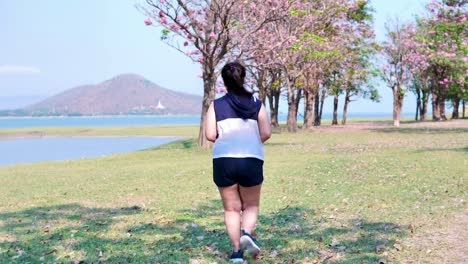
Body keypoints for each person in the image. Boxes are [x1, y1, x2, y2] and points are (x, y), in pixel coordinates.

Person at [205, 62, 271, 263]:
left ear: (224, 82)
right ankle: (247, 234)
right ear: (243, 78)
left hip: (224, 161)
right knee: (251, 205)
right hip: (251, 159)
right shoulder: (257, 104)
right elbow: (266, 133)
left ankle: (236, 253)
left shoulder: (216, 105)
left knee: (231, 209)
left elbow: (210, 135)